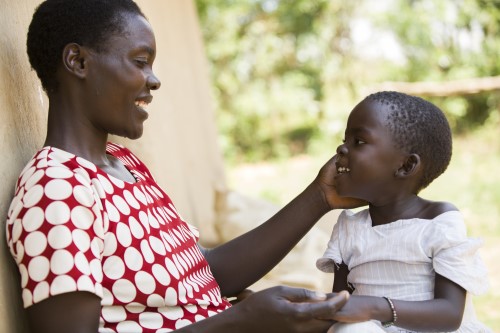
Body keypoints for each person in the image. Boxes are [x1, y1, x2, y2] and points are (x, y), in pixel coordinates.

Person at [5, 1, 362, 332]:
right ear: (79, 62)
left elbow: (200, 272)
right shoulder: (56, 188)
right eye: (140, 61)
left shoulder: (124, 165)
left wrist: (320, 196)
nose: (154, 80)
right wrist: (241, 321)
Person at [315, 91, 491, 333]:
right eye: (345, 140)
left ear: (406, 165)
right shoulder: (350, 227)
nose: (342, 149)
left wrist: (376, 307)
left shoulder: (437, 220)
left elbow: (450, 314)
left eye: (359, 142)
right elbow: (340, 308)